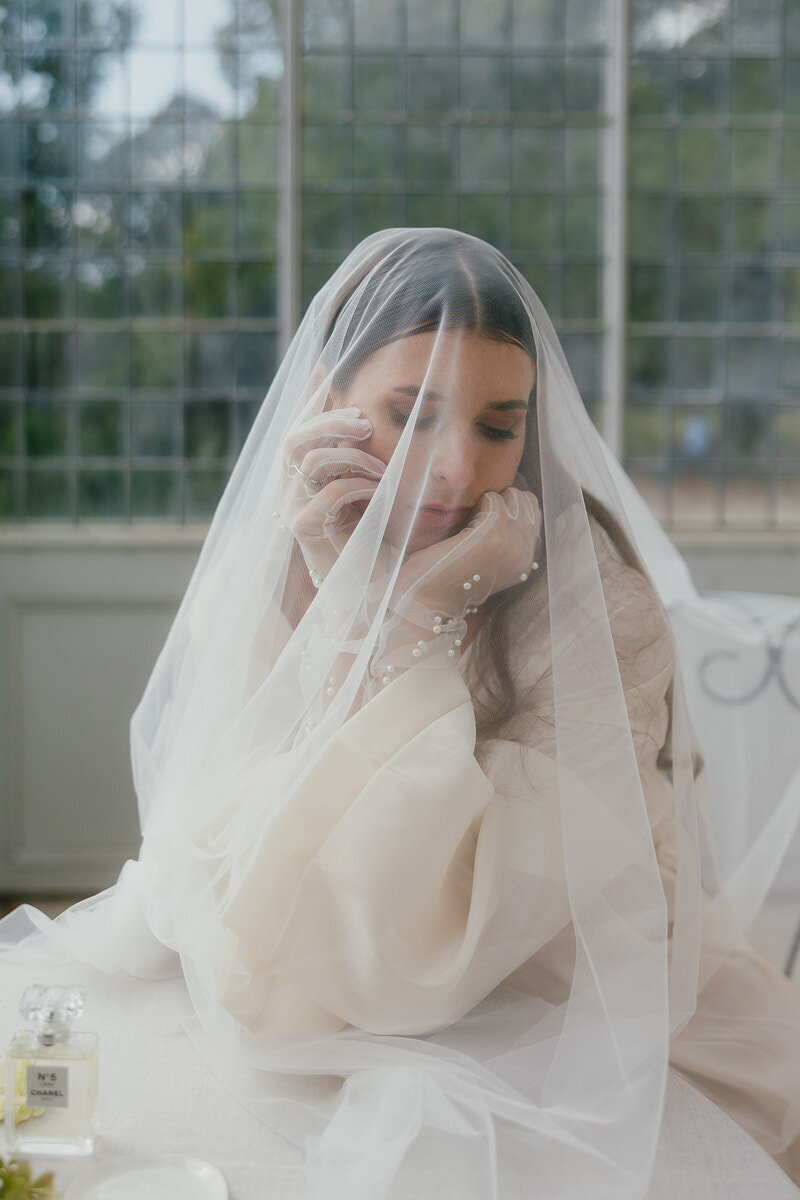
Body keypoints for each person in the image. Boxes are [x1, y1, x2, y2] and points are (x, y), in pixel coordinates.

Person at [1, 228, 798, 1199]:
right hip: (316, 972)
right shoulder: (274, 563)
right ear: (326, 403)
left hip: (539, 982)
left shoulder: (597, 611)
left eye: (497, 425)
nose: (455, 467)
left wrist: (412, 614)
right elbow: (235, 840)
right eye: (409, 413)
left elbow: (443, 931)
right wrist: (341, 594)